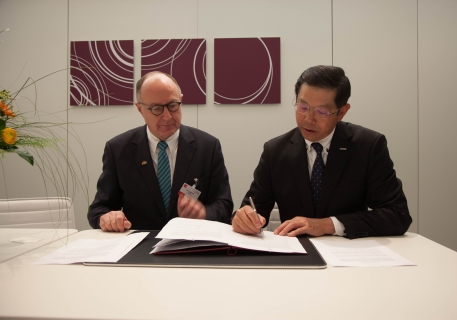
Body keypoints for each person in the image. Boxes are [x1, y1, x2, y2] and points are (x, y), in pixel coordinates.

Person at [232, 65, 412, 239]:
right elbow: (252, 209)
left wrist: (327, 225)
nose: (309, 119)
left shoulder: (368, 146)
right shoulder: (275, 151)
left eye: (322, 111)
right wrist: (243, 219)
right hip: (297, 254)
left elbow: (397, 215)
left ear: (342, 112)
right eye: (303, 107)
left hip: (350, 256)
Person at [88, 72, 233, 232]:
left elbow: (224, 206)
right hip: (139, 251)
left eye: (173, 105)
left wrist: (204, 214)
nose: (167, 116)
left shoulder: (208, 147)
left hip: (191, 246)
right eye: (157, 108)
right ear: (140, 109)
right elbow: (99, 209)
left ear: (181, 100)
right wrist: (107, 218)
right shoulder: (118, 150)